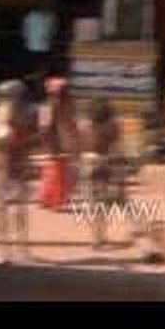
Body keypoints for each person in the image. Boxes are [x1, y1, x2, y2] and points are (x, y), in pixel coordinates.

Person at [0, 80, 37, 263]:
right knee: (2, 210)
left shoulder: (27, 117)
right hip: (0, 170)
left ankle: (20, 250)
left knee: (16, 210)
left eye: (8, 97)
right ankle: (4, 251)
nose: (4, 101)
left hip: (15, 168)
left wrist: (16, 138)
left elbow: (31, 141)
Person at [79, 98, 119, 249]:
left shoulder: (84, 125)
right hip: (104, 162)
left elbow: (78, 143)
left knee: (90, 203)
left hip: (87, 162)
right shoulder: (112, 126)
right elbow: (115, 147)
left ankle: (95, 239)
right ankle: (102, 237)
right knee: (103, 204)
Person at [38, 76, 79, 210]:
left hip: (59, 143)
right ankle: (53, 200)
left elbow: (45, 127)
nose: (65, 93)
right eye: (63, 91)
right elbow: (46, 127)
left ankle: (50, 199)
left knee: (55, 171)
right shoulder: (54, 105)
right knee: (57, 172)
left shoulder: (56, 104)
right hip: (57, 143)